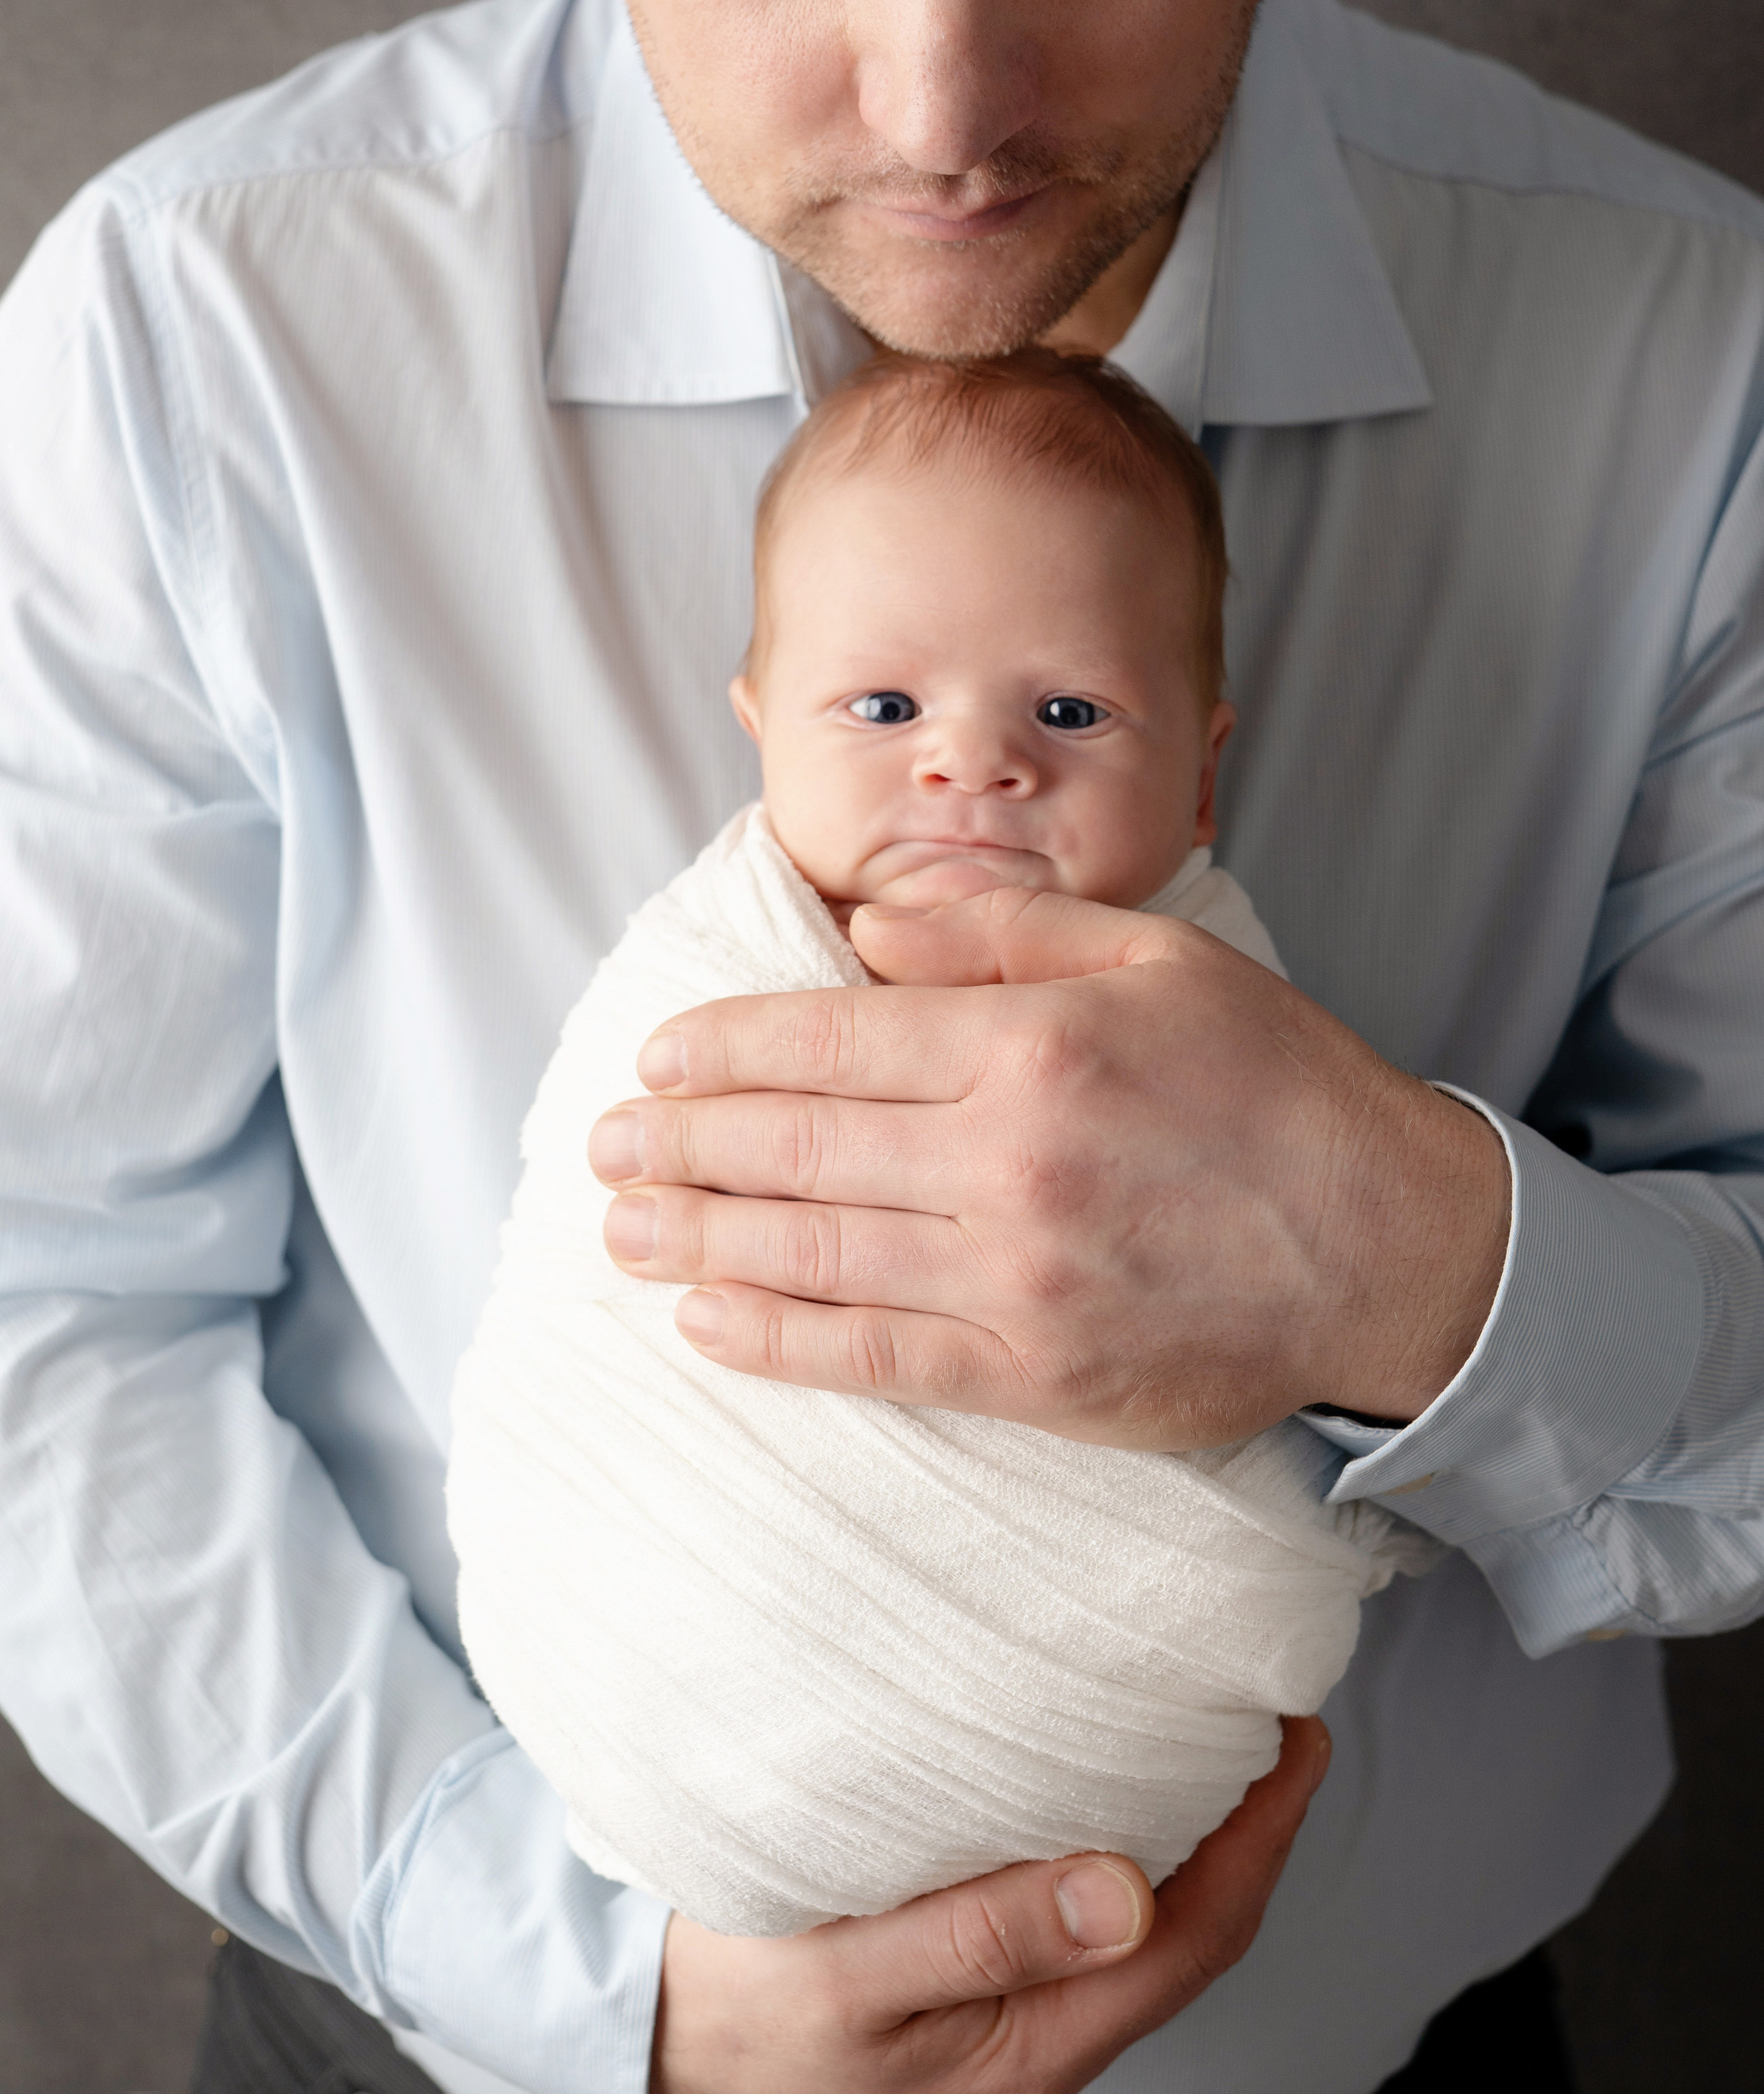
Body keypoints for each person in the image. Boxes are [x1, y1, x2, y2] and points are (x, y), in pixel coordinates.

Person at [0, 0, 1758, 2089]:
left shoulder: (1692, 366)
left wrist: (1406, 1265)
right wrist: (602, 2000)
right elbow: (49, 1316)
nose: (945, 94)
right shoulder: (200, 345)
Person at [448, 349, 1420, 1944]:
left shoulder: (1216, 1001)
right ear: (761, 732)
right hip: (666, 1658)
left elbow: (1288, 1289)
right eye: (884, 707)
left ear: (1201, 772)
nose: (973, 763)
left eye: (1069, 710)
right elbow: (589, 1259)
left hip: (1104, 1754)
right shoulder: (707, 967)